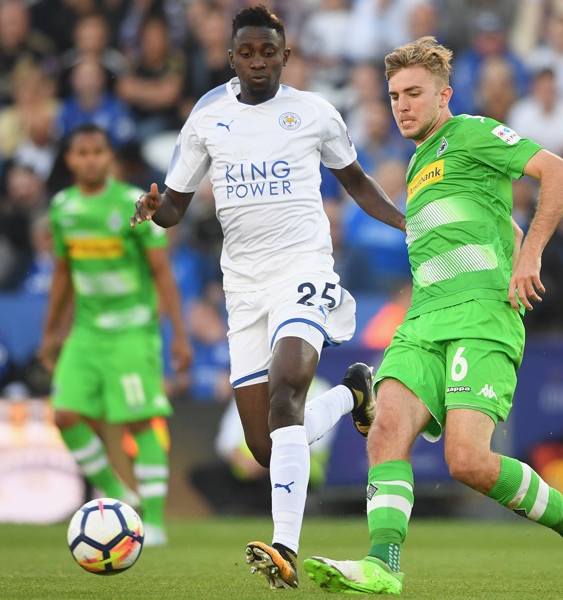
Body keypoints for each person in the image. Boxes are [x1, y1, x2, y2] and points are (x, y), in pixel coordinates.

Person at [301, 37, 563, 596]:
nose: (402, 105)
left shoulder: (470, 132)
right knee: (385, 433)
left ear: (444, 95)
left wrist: (530, 254)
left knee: (469, 461)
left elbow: (560, 174)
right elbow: (495, 221)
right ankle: (383, 565)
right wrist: (512, 240)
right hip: (424, 319)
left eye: (414, 94)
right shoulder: (421, 160)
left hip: (480, 317)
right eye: (395, 95)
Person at [130, 5, 406, 589]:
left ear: (286, 55)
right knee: (265, 444)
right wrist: (156, 210)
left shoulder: (314, 113)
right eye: (247, 53)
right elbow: (176, 207)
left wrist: (407, 222)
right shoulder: (207, 117)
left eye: (269, 52)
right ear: (232, 57)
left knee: (286, 396)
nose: (258, 62)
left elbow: (356, 183)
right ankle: (355, 393)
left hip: (303, 270)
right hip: (244, 287)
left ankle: (285, 548)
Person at [39, 123, 192, 548]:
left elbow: (162, 271)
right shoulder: (62, 208)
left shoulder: (134, 204)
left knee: (141, 420)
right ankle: (118, 492)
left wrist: (179, 335)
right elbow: (62, 273)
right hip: (86, 332)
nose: (89, 159)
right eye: (81, 152)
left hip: (133, 330)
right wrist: (51, 332)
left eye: (97, 151)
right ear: (70, 160)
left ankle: (156, 522)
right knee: (65, 415)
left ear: (109, 158)